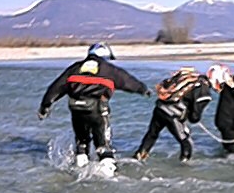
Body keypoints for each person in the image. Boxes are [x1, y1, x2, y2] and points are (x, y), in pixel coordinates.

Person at [37, 42, 150, 173]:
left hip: (76, 110)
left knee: (82, 142)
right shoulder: (109, 70)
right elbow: (128, 81)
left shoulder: (74, 68)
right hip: (97, 110)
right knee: (102, 144)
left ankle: (80, 167)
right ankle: (108, 174)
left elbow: (55, 88)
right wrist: (143, 89)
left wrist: (45, 107)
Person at [133, 64, 234, 162]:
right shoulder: (205, 94)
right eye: (222, 84)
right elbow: (194, 118)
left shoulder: (194, 78)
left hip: (160, 108)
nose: (222, 87)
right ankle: (184, 168)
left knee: (152, 134)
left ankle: (139, 157)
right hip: (172, 115)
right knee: (186, 143)